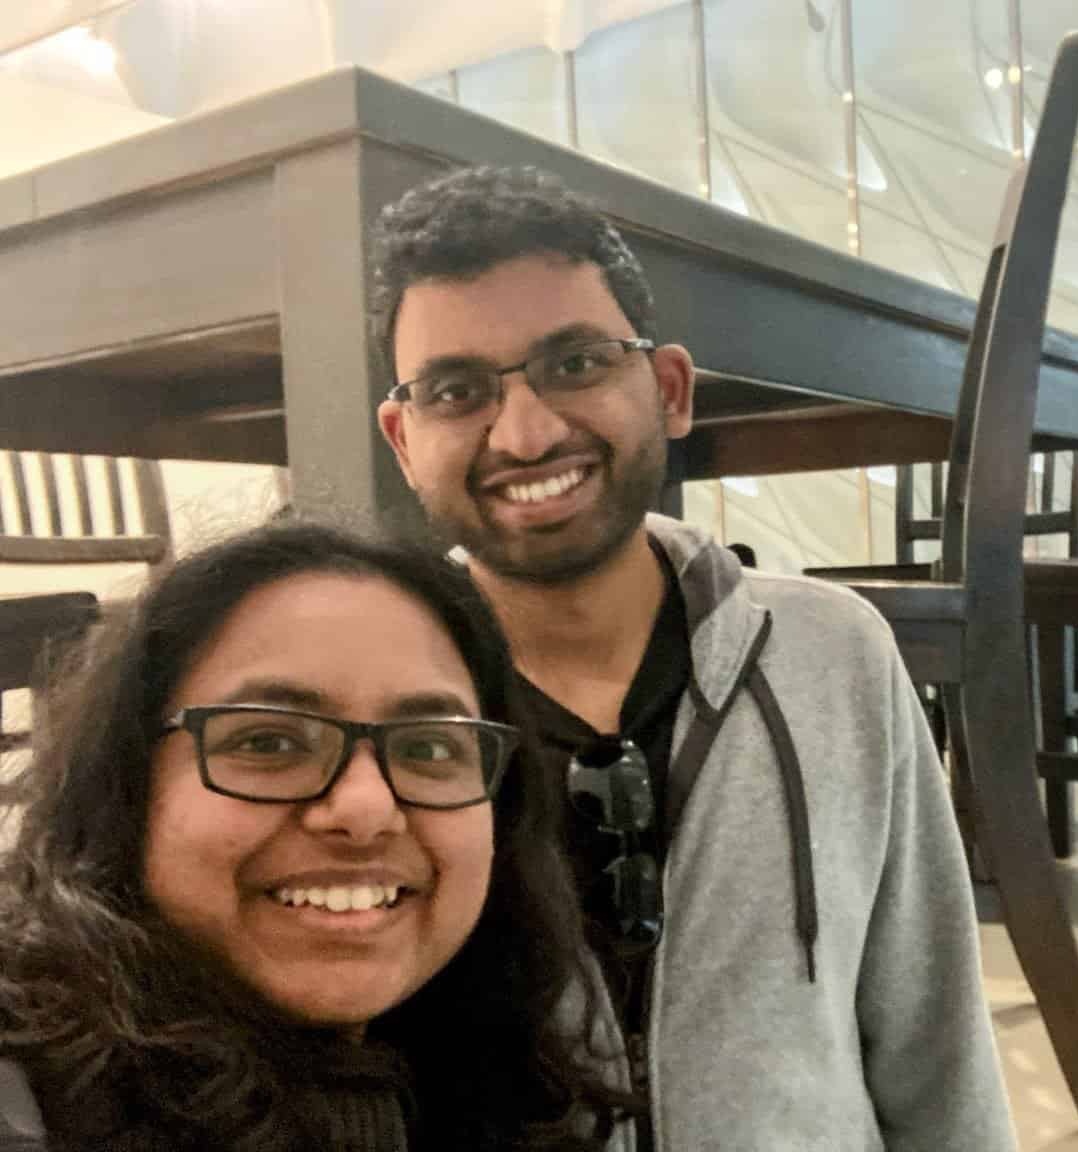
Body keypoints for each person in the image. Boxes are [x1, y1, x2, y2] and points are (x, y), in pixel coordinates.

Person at [372, 165, 1015, 1150]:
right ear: (404, 439)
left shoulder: (836, 658)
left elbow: (934, 1037)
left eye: (577, 362)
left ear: (669, 390)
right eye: (457, 391)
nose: (529, 431)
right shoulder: (365, 710)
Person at [0, 522, 622, 1152]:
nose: (367, 810)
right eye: (268, 742)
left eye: (430, 746)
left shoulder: (520, 1054)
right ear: (128, 788)